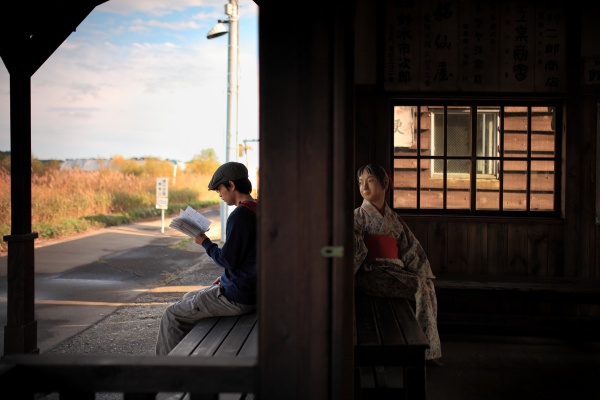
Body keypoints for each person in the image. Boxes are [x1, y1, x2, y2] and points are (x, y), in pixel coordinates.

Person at [155, 161, 258, 355]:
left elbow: (227, 260)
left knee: (172, 314)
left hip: (238, 297)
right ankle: (187, 353)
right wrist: (228, 277)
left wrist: (204, 242)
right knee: (188, 298)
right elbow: (248, 258)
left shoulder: (240, 216)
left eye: (220, 189)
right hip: (251, 290)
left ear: (231, 185)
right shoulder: (257, 209)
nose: (220, 194)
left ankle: (166, 372)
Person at [353, 163, 442, 364]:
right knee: (418, 287)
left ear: (385, 183)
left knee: (427, 284)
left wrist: (421, 271)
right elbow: (355, 250)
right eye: (360, 183)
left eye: (370, 181)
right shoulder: (357, 217)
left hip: (393, 271)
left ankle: (426, 348)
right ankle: (421, 352)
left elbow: (411, 248)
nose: (364, 188)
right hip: (371, 273)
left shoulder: (394, 219)